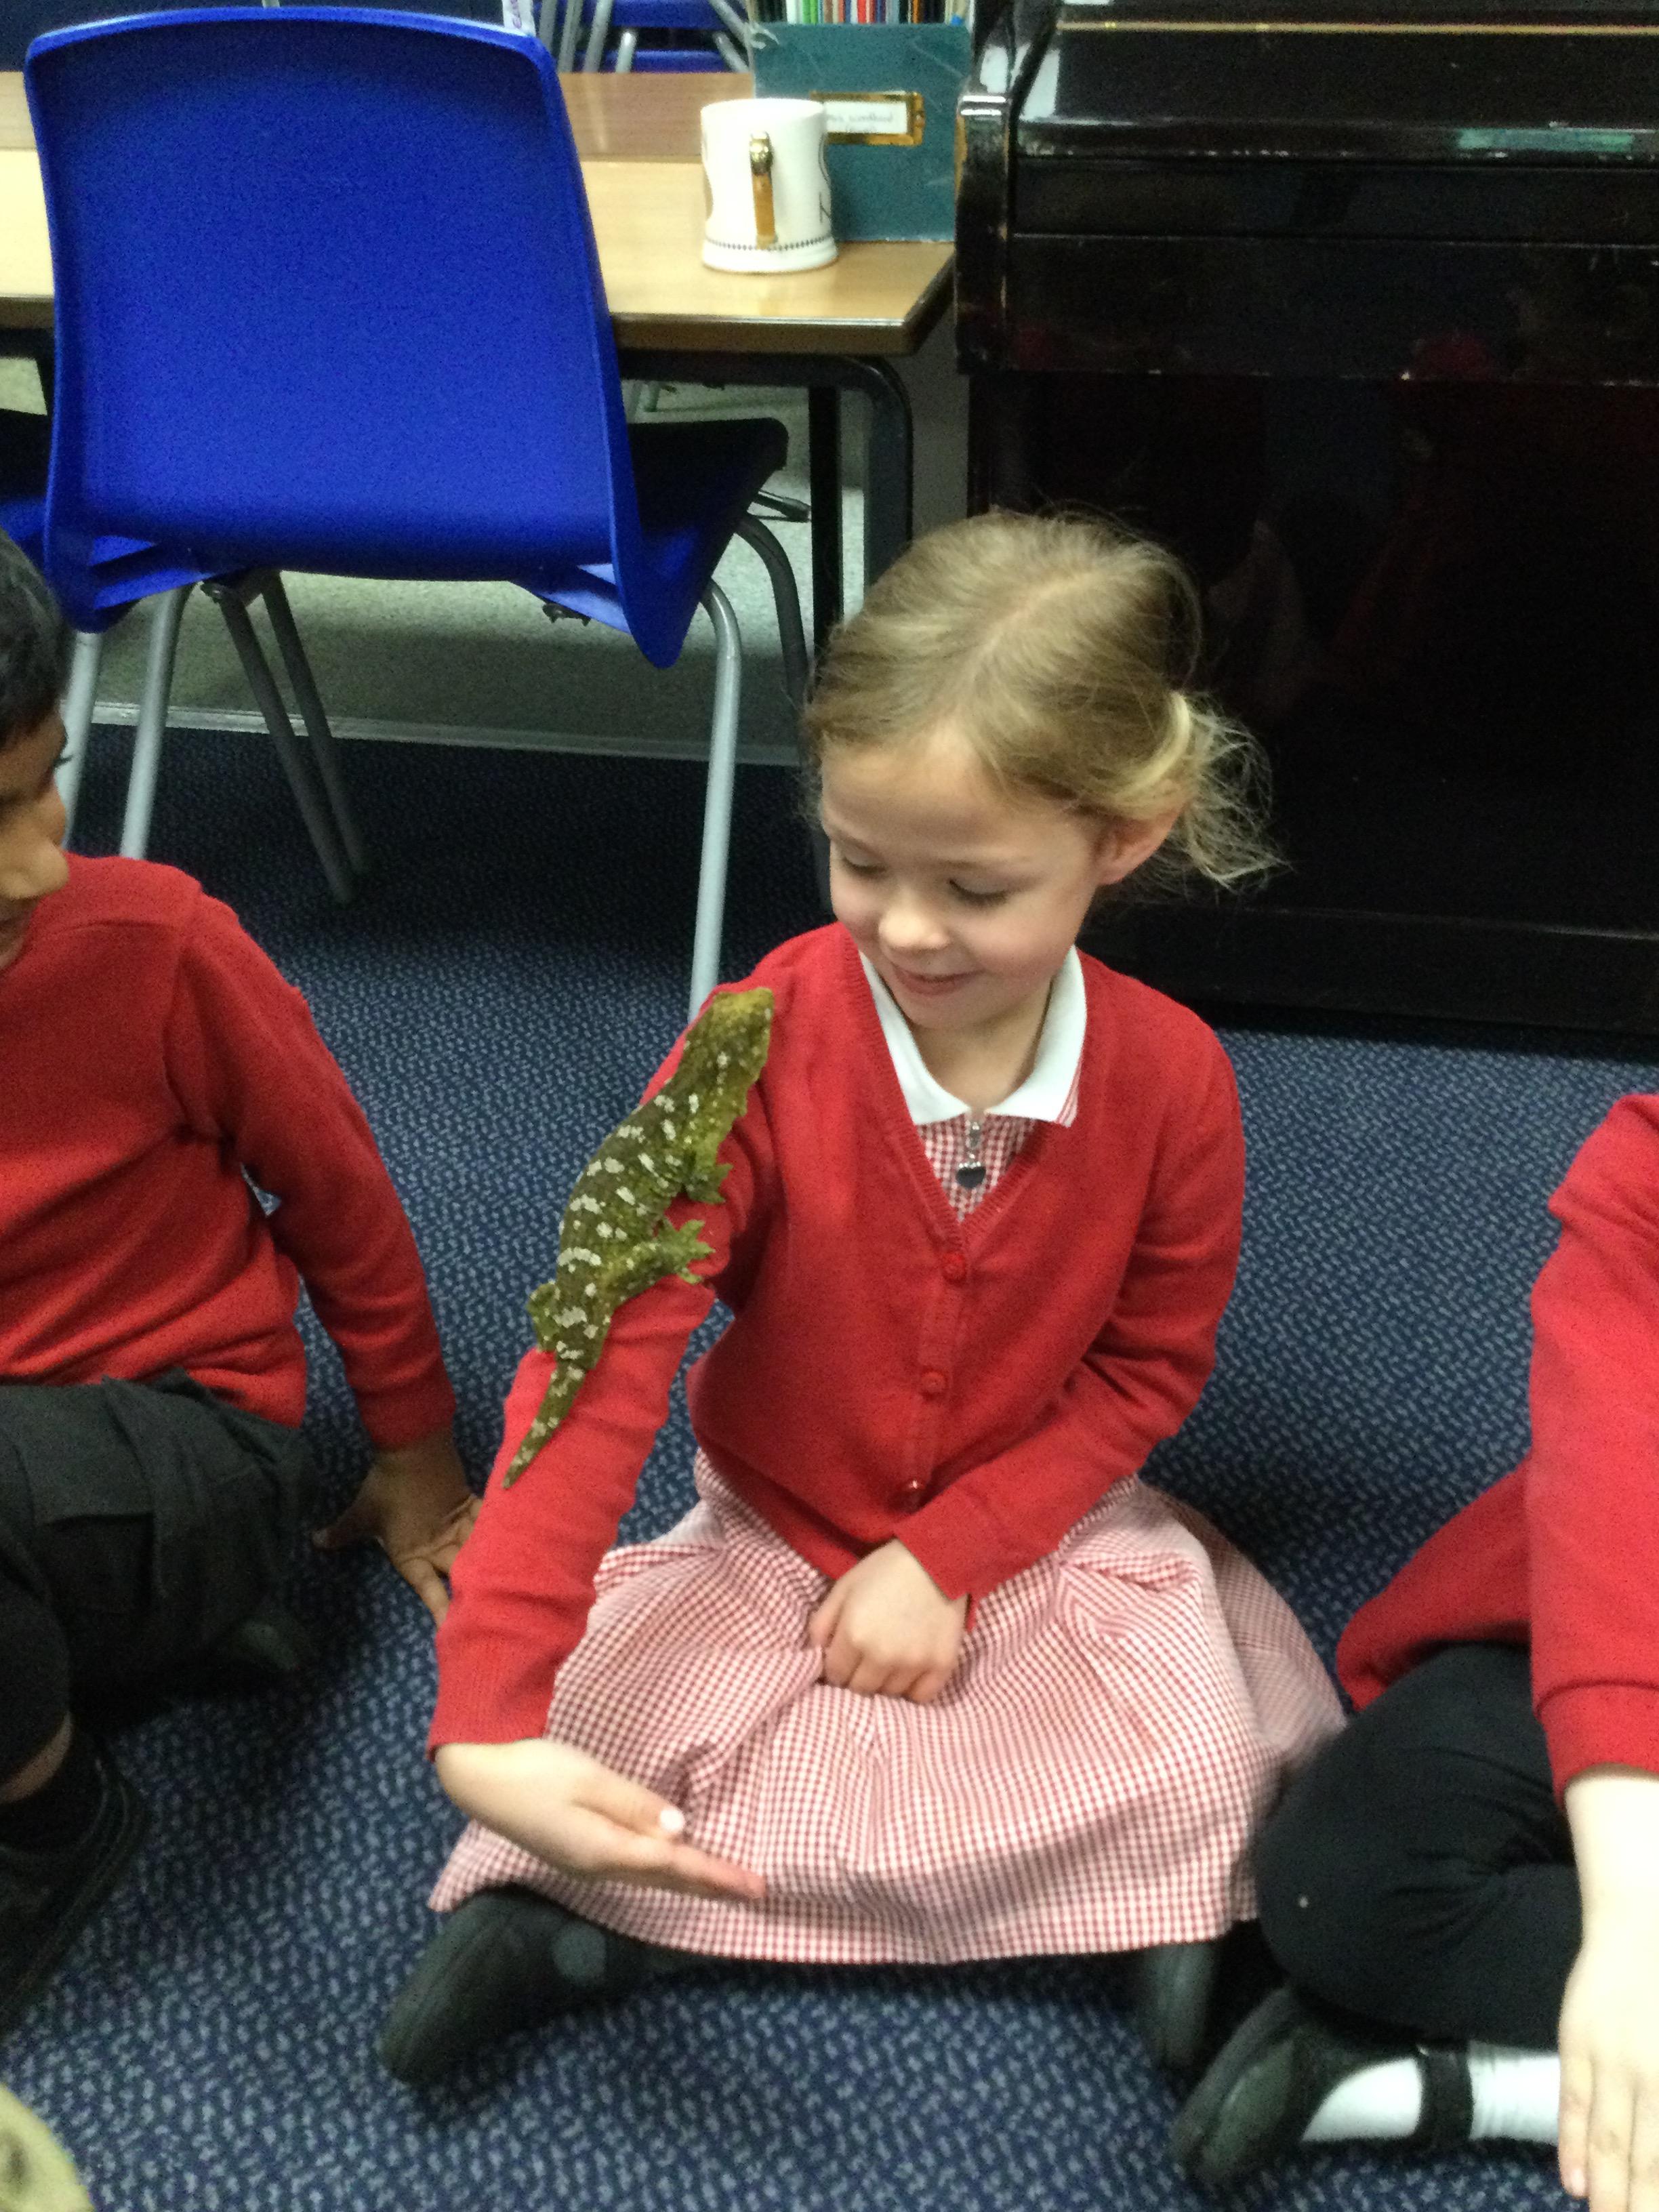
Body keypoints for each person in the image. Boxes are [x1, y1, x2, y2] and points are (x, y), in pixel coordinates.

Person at [377, 509, 1344, 2087]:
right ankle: (578, 1922)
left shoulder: (1175, 1081)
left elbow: (1143, 1379)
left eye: (976, 886)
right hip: (771, 1517)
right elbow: (596, 1358)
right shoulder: (749, 1045)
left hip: (1040, 1527)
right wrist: (490, 1717)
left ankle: (1146, 1906)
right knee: (604, 1708)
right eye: (860, 860)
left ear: (1127, 835)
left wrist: (948, 1558)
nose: (904, 929)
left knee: (1206, 1746)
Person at [0, 533, 478, 2041]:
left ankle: (54, 1822)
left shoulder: (155, 946)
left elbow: (339, 1199)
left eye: (44, 782)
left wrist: (415, 1456)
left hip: (190, 1440)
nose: (39, 857)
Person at [1171, 1093, 1659, 2212]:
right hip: (1595, 1637)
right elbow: (1613, 1507)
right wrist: (1634, 1919)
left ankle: (1496, 2088)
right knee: (1340, 1881)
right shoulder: (1649, 1172)